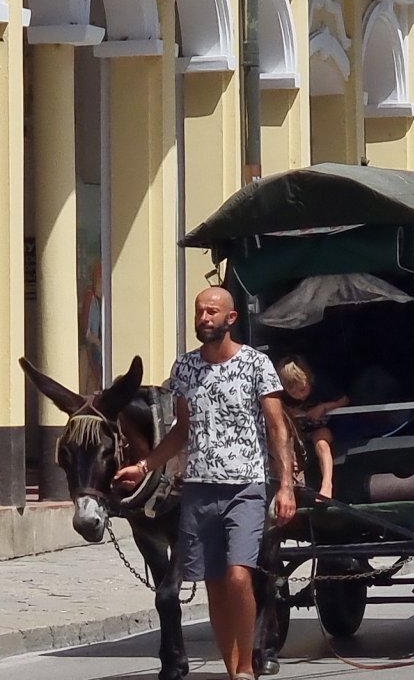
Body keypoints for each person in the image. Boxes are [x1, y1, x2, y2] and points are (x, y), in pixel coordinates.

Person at [114, 287, 295, 680]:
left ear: (231, 319)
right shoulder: (185, 369)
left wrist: (285, 486)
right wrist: (145, 465)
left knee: (238, 575)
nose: (204, 318)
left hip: (246, 486)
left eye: (212, 311)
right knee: (214, 584)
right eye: (199, 312)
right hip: (198, 489)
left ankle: (246, 666)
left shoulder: (255, 364)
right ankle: (233, 671)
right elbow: (181, 431)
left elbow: (278, 428)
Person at [276, 356, 350, 499]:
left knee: (322, 444)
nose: (299, 395)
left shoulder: (321, 386)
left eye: (302, 389)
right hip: (297, 432)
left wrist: (324, 407)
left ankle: (327, 484)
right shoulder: (281, 396)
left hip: (319, 428)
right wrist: (289, 413)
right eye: (293, 393)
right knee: (284, 444)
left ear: (308, 379)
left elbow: (344, 400)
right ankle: (289, 486)